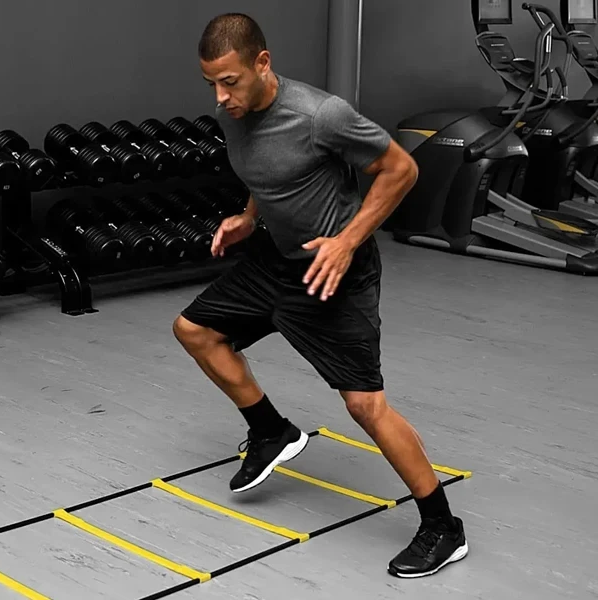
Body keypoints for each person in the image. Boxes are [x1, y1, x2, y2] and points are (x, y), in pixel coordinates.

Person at [172, 13, 468, 578]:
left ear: (263, 63)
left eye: (229, 80)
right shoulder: (233, 112)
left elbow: (400, 169)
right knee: (195, 330)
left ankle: (442, 527)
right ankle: (271, 431)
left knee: (365, 406)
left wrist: (346, 241)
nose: (220, 95)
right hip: (275, 263)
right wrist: (247, 216)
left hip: (337, 273)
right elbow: (270, 174)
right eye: (211, 82)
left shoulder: (320, 115)